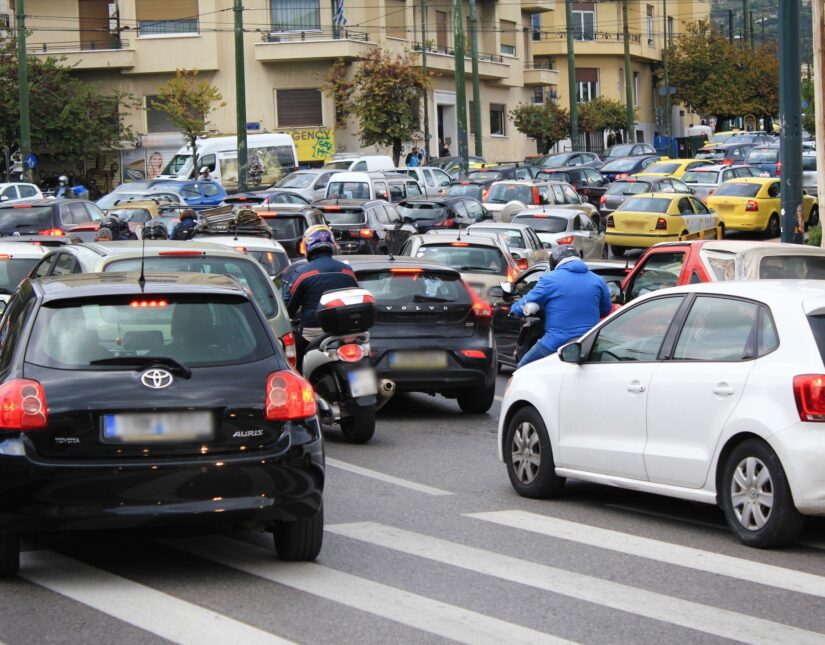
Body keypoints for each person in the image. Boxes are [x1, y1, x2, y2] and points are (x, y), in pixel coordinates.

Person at [510, 245, 611, 368]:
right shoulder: (598, 280)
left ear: (554, 262)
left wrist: (514, 309)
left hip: (554, 343)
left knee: (522, 370)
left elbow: (525, 304)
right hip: (589, 343)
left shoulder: (549, 279)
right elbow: (605, 310)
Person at [282, 225, 359, 366]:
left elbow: (288, 307)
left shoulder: (302, 272)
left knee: (292, 362)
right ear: (331, 245)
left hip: (311, 333)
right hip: (342, 332)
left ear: (308, 246)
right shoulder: (347, 270)